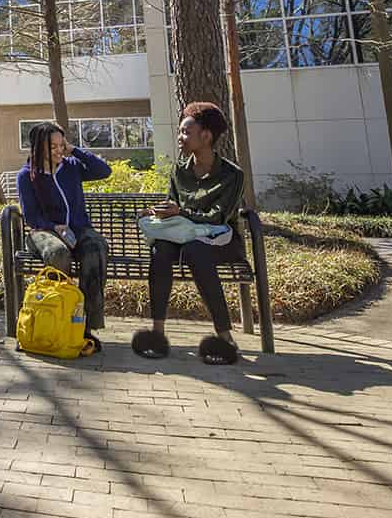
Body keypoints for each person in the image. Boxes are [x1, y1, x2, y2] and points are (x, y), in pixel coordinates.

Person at [131, 101, 248, 365]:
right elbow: (172, 207)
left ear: (206, 136)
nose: (180, 138)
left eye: (186, 132)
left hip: (220, 240)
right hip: (183, 236)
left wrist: (181, 212)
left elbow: (218, 217)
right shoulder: (179, 170)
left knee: (197, 251)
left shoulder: (233, 175)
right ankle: (157, 335)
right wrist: (154, 212)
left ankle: (225, 338)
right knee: (160, 249)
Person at [16, 121, 112, 355]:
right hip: (43, 232)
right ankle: (57, 318)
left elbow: (104, 171)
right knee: (58, 254)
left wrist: (74, 150)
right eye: (53, 147)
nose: (59, 150)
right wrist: (54, 228)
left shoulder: (71, 167)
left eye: (62, 145)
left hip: (78, 229)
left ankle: (84, 326)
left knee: (96, 248)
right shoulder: (26, 176)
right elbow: (31, 216)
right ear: (38, 148)